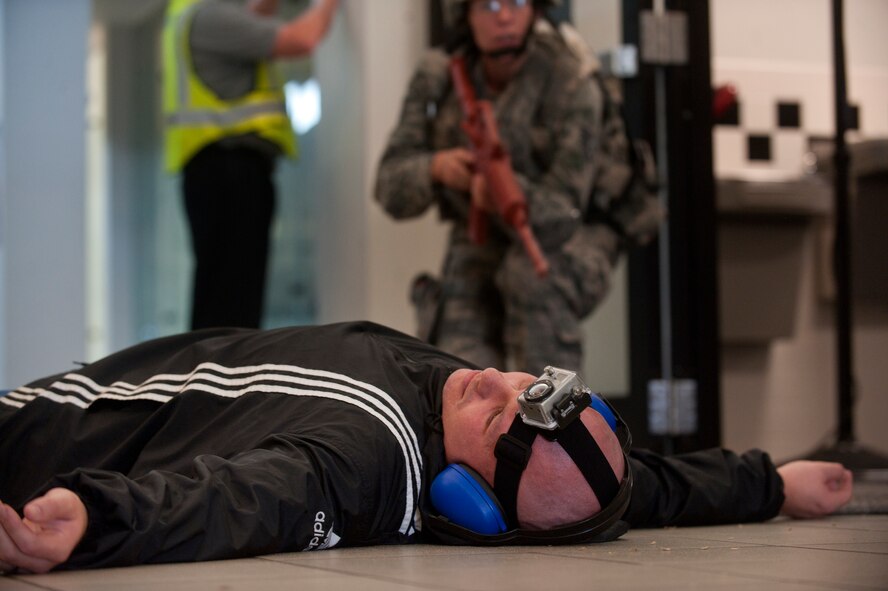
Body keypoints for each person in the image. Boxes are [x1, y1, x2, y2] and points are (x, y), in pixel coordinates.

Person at [0, 321, 852, 573]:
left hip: (28, 439)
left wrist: (91, 516)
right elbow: (639, 488)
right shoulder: (467, 408)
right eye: (524, 381)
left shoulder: (363, 463)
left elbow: (238, 500)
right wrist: (768, 483)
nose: (488, 378)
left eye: (496, 416)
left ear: (467, 500)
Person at [375, 0, 661, 374]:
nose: (505, 17)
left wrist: (503, 191)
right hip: (481, 237)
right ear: (465, 15)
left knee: (532, 279)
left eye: (518, 2)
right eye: (489, 5)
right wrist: (439, 168)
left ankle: (556, 423)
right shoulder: (440, 76)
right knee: (458, 362)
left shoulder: (572, 82)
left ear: (537, 11)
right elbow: (388, 185)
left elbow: (563, 214)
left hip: (577, 233)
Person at [164, 0, 339, 330]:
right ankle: (223, 377)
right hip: (231, 169)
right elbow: (302, 39)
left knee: (223, 297)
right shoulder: (210, 16)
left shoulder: (191, 14)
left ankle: (218, 374)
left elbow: (253, 19)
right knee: (232, 303)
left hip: (218, 168)